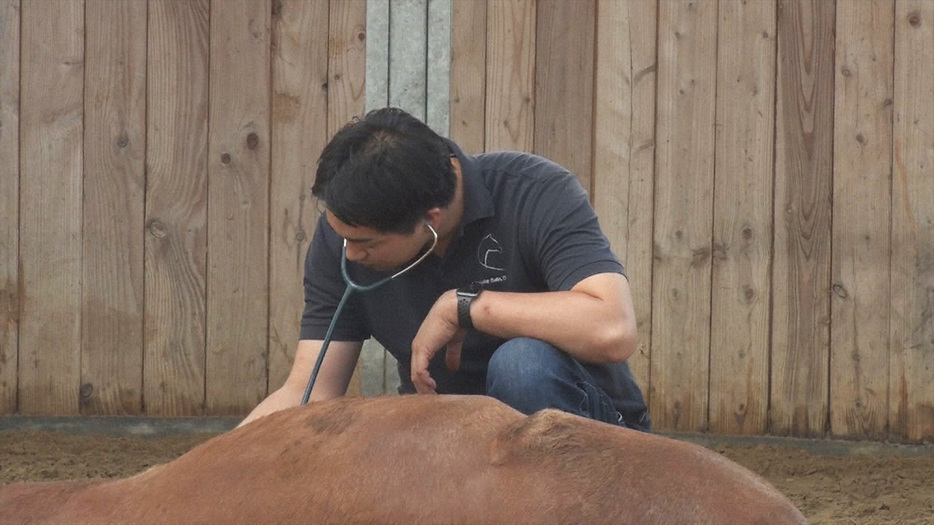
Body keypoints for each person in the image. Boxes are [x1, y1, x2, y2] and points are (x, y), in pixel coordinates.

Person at [241, 107, 650, 431]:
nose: (349, 255)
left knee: (521, 365)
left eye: (366, 244)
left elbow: (613, 328)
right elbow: (310, 390)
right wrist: (200, 475)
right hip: (454, 442)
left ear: (430, 220)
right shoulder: (349, 232)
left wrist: (465, 307)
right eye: (343, 237)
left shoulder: (535, 191)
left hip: (592, 441)